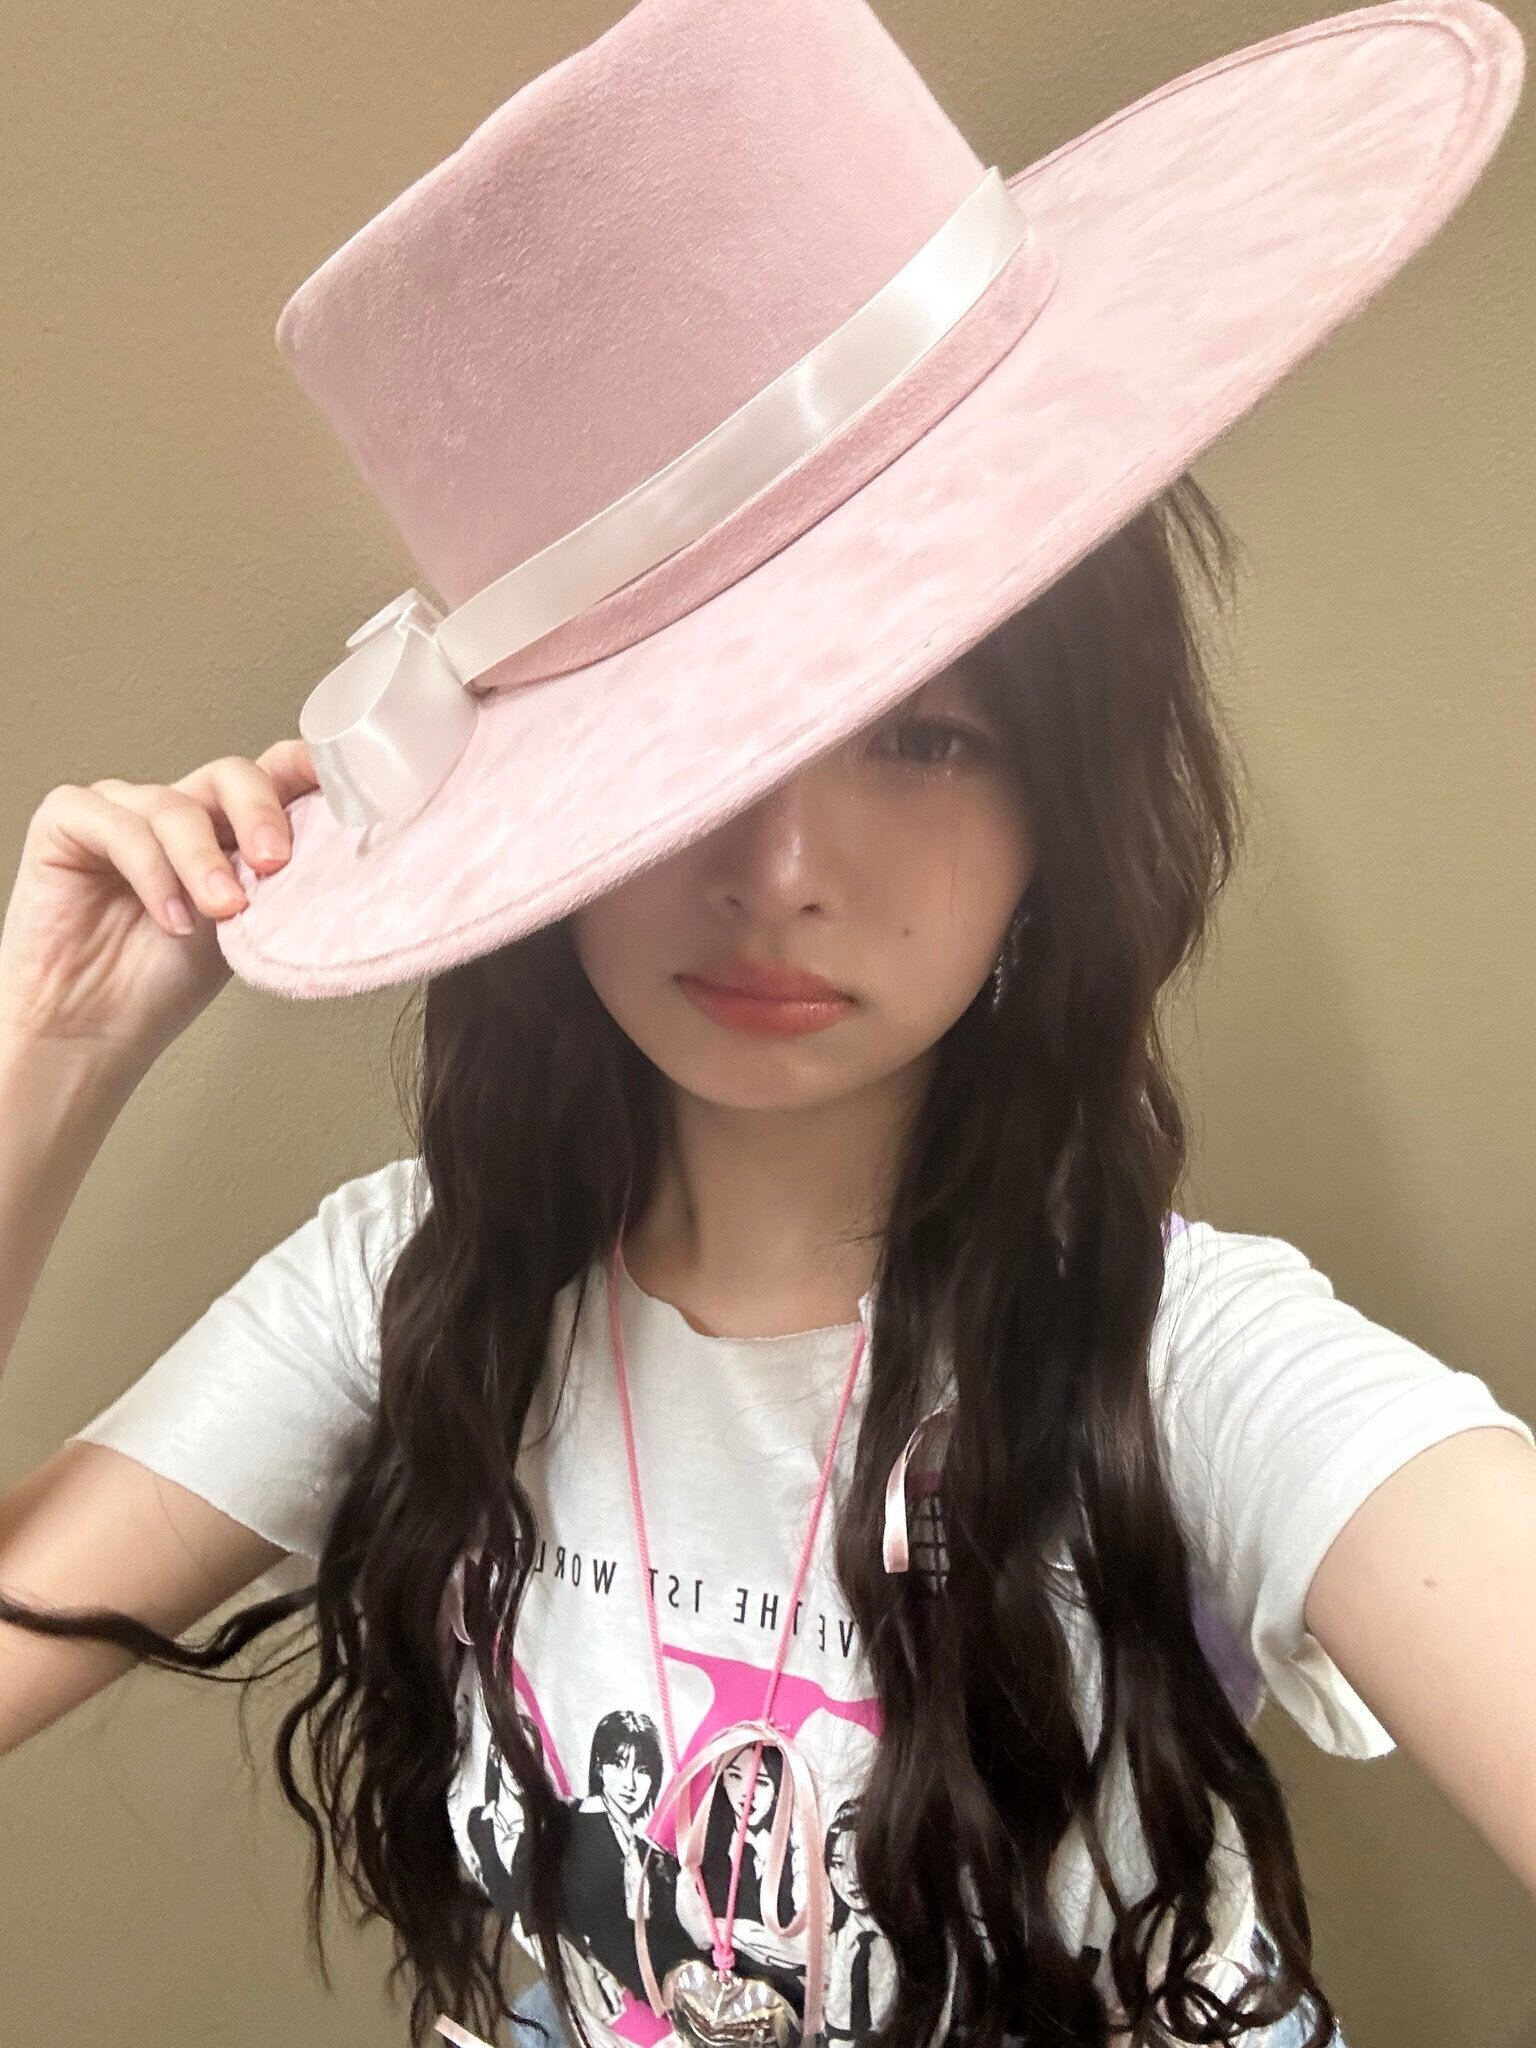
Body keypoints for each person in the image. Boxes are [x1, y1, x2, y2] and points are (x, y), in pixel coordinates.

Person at [1, 5, 1533, 2048]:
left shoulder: (1190, 1364)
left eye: (929, 736)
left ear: (1057, 813)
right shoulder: (407, 1295)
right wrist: (54, 1050)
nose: (784, 868)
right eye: (684, 757)